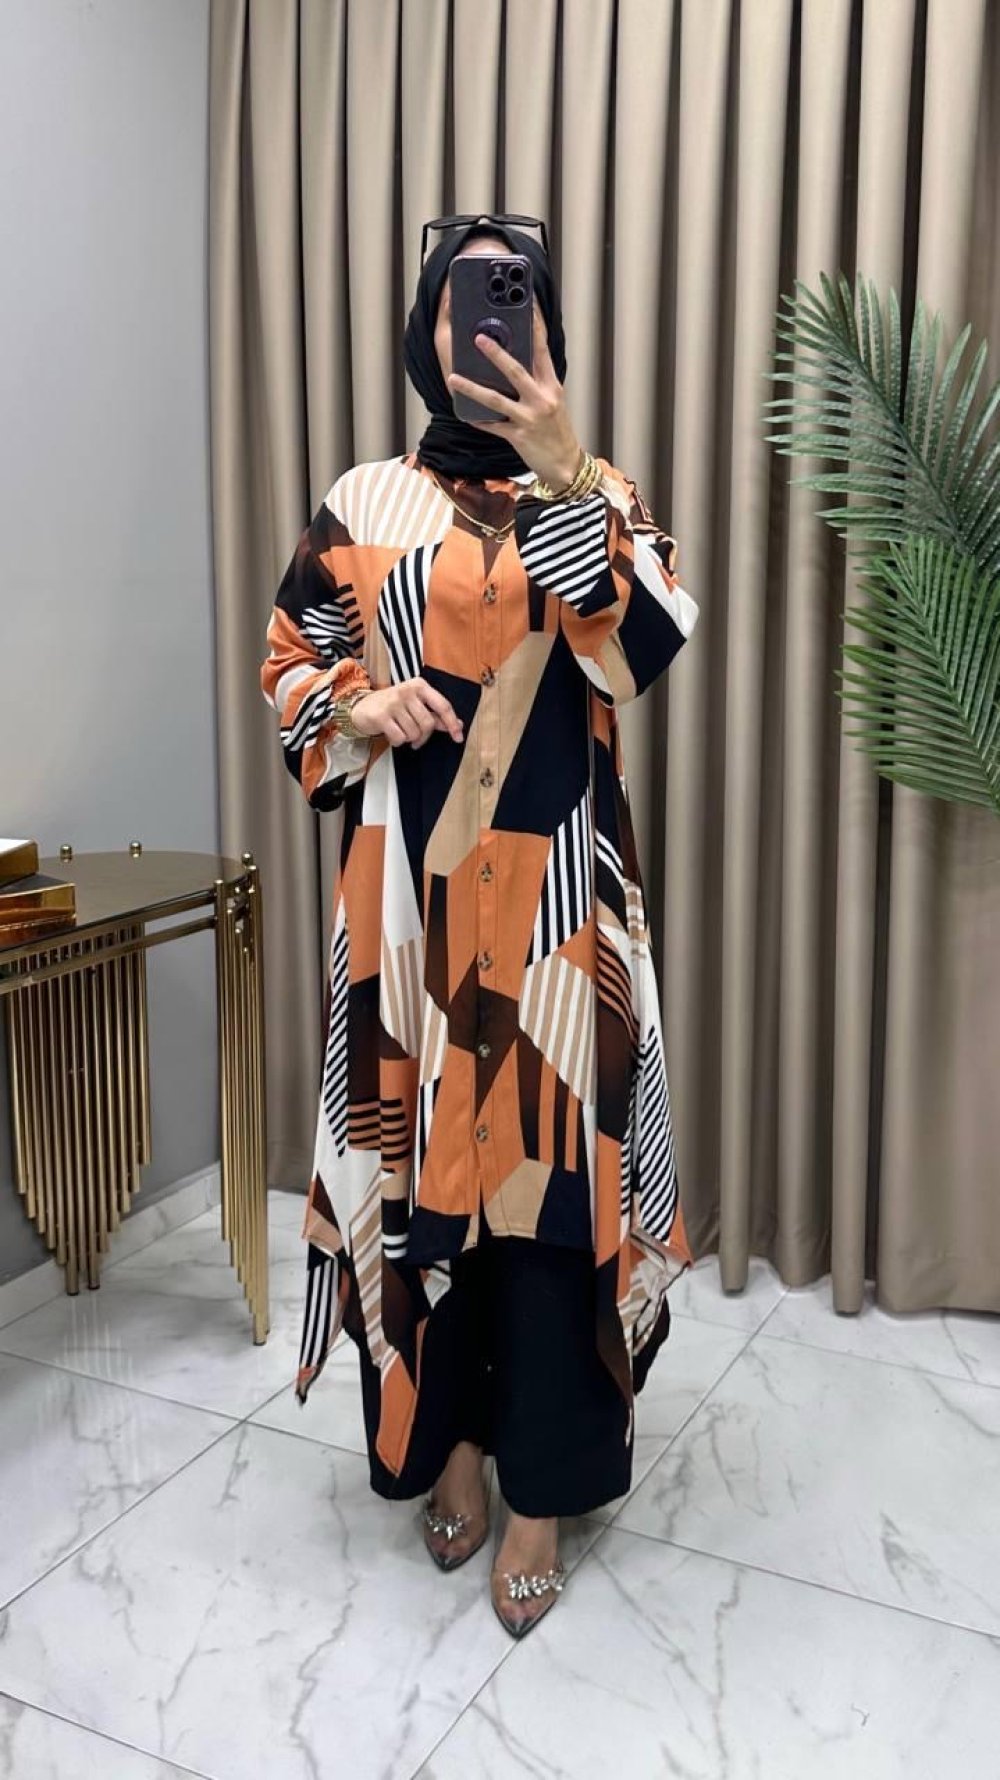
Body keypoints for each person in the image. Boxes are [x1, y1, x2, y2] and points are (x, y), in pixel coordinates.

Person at [260, 213, 700, 1638]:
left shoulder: (599, 488)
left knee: (554, 1192)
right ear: (427, 332)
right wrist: (356, 704)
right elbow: (292, 661)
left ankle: (541, 1491)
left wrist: (569, 472)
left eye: (516, 302)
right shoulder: (365, 500)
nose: (490, 326)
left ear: (547, 331)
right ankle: (448, 1440)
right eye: (466, 302)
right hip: (412, 910)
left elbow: (641, 650)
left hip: (564, 913)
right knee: (426, 1177)